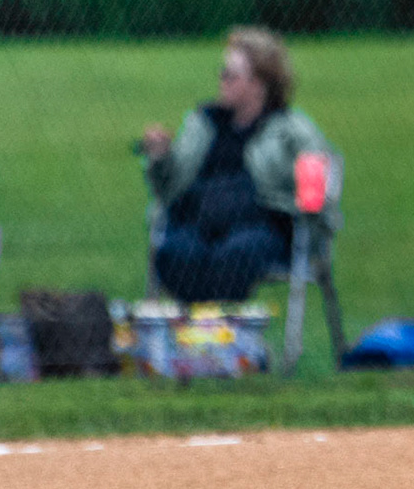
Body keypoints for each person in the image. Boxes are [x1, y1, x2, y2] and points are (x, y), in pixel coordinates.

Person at [141, 27, 339, 303]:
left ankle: (219, 333)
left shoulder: (291, 130)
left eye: (231, 75)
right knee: (176, 253)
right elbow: (167, 187)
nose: (222, 80)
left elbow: (320, 180)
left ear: (259, 84)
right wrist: (160, 158)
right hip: (197, 223)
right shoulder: (203, 124)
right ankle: (205, 333)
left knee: (236, 256)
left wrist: (310, 198)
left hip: (261, 227)